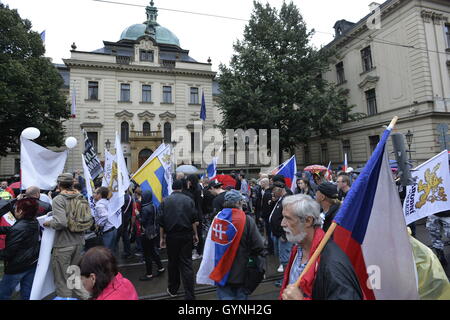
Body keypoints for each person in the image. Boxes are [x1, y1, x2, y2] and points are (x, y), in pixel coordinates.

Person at [280, 194, 363, 300]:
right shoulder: (298, 248)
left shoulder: (333, 264)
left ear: (308, 221)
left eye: (288, 218)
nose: (282, 223)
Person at [197, 189, 265, 300]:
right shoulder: (247, 220)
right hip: (241, 273)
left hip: (221, 272)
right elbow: (258, 246)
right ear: (238, 203)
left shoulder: (217, 219)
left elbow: (210, 244)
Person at [43, 173, 90, 299]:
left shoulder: (59, 199)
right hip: (79, 242)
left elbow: (61, 223)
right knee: (74, 276)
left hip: (64, 244)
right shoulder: (80, 196)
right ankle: (88, 297)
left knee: (62, 280)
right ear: (72, 184)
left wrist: (48, 223)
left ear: (59, 185)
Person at [159, 180, 198, 300]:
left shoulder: (165, 201)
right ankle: (190, 295)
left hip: (171, 236)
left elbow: (161, 223)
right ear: (181, 188)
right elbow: (193, 221)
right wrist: (195, 234)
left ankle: (173, 289)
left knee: (173, 263)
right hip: (186, 235)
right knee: (186, 264)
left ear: (172, 188)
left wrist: (161, 238)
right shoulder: (189, 200)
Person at [0, 197, 40, 300]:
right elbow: (16, 230)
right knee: (27, 294)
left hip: (17, 267)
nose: (14, 210)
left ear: (21, 211)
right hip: (31, 263)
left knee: (3, 294)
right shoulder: (34, 221)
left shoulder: (19, 227)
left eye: (15, 208)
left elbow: (8, 253)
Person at [269, 181, 293, 281]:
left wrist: (284, 233)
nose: (273, 193)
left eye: (274, 190)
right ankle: (285, 279)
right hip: (277, 233)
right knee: (281, 257)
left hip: (282, 234)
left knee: (285, 259)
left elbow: (290, 218)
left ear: (279, 189)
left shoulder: (286, 199)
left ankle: (287, 280)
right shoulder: (281, 199)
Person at [139, 191, 164, 281]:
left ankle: (149, 274)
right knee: (153, 251)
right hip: (153, 231)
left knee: (147, 254)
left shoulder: (145, 208)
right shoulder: (153, 205)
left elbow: (142, 221)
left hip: (146, 233)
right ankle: (161, 268)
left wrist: (138, 215)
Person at [184, 174, 204, 260]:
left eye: (188, 180)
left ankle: (199, 252)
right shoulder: (195, 188)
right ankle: (196, 251)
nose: (187, 182)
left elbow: (194, 203)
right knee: (194, 234)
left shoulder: (197, 190)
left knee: (198, 234)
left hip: (196, 215)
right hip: (195, 213)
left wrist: (196, 218)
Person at [93, 187, 116, 252]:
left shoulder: (99, 205)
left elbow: (105, 216)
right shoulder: (107, 202)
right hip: (112, 228)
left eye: (95, 193)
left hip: (107, 230)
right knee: (111, 251)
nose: (93, 194)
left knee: (105, 252)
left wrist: (99, 224)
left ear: (99, 195)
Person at [116, 192, 133, 259]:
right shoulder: (129, 196)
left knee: (120, 235)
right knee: (124, 235)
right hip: (126, 218)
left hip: (122, 218)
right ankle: (127, 251)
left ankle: (127, 252)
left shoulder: (124, 197)